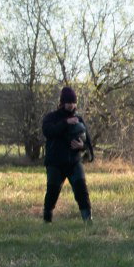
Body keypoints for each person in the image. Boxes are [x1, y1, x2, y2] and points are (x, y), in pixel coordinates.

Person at [41, 85, 94, 223]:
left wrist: (82, 147)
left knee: (81, 189)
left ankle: (88, 220)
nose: (71, 105)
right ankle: (47, 219)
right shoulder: (51, 118)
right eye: (69, 102)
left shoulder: (79, 119)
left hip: (74, 162)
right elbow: (48, 131)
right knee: (52, 192)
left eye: (73, 102)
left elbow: (88, 142)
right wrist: (66, 122)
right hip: (55, 163)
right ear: (62, 103)